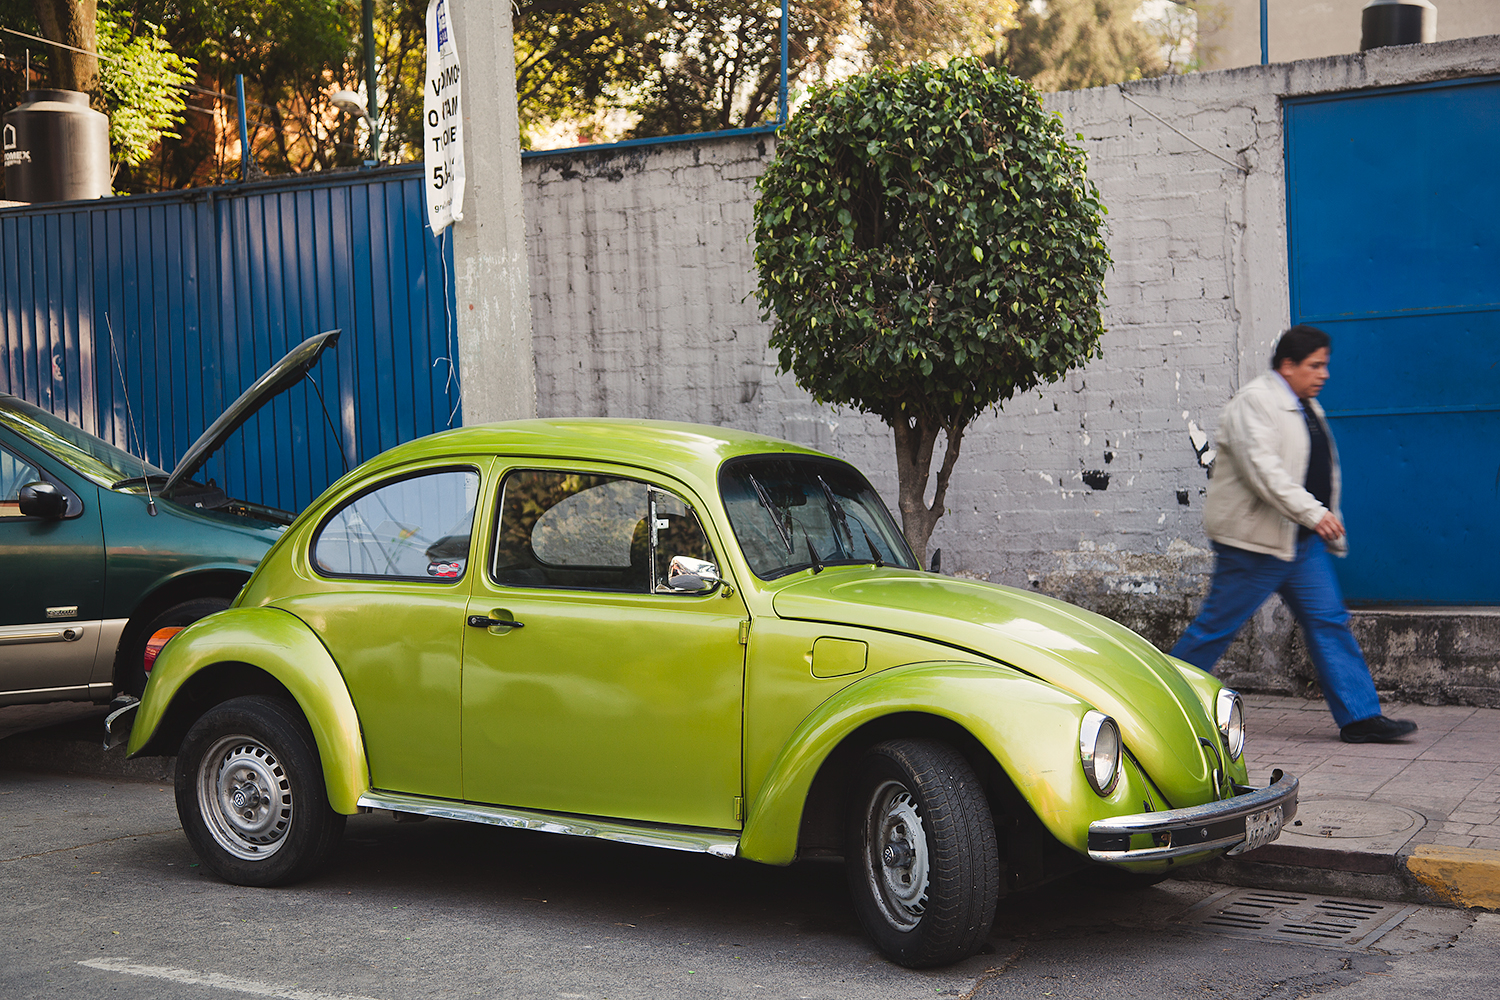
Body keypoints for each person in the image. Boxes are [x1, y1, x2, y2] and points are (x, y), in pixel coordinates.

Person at [1171, 325, 1417, 744]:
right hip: (1254, 543)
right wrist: (1314, 512)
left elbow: (1320, 469)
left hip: (1298, 542)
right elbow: (1265, 473)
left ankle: (1360, 717)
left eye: (1325, 365)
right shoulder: (1255, 404)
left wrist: (1322, 517)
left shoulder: (1306, 406)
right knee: (1216, 628)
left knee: (1329, 621)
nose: (1323, 374)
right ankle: (1158, 701)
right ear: (1288, 365)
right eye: (1315, 365)